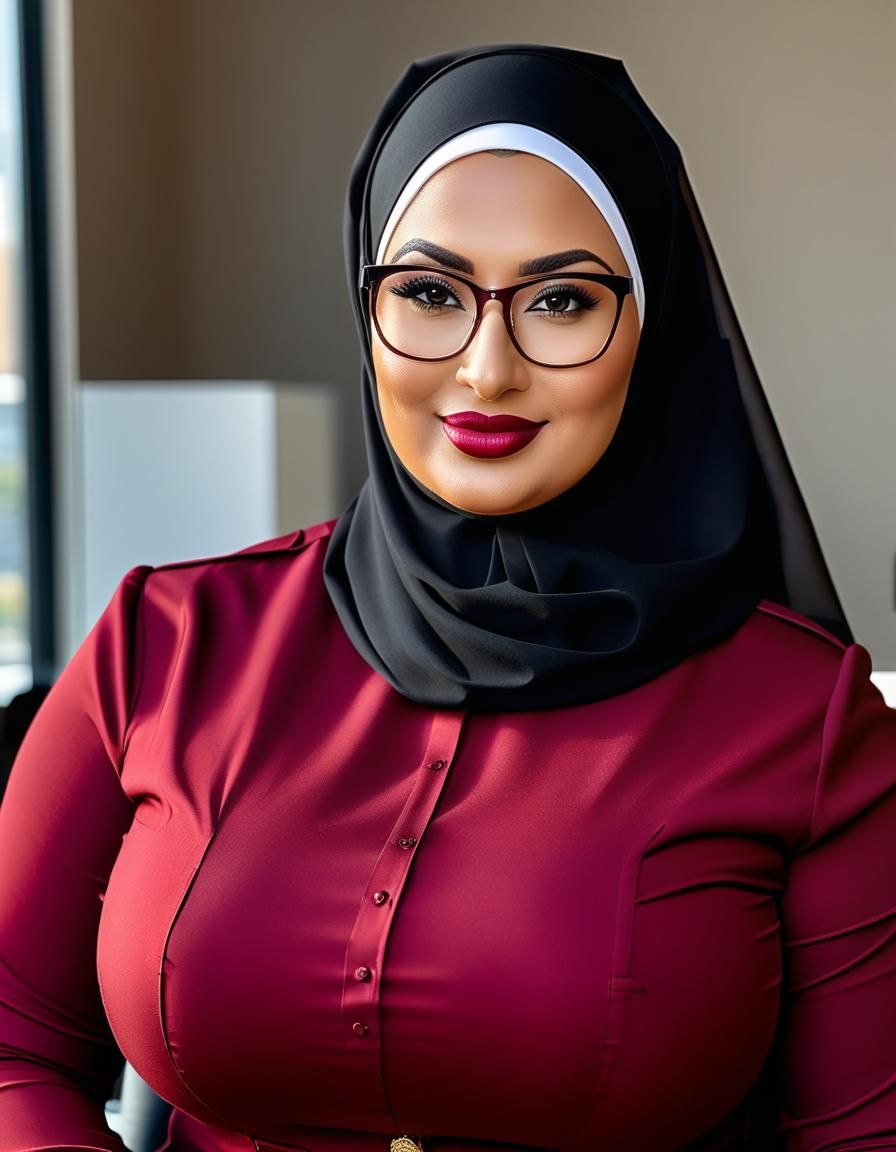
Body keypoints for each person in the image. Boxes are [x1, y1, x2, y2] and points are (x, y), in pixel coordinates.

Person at [1, 41, 894, 1152]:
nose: (485, 368)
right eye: (426, 292)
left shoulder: (803, 723)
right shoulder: (161, 648)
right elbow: (11, 1046)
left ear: (649, 327)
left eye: (561, 300)